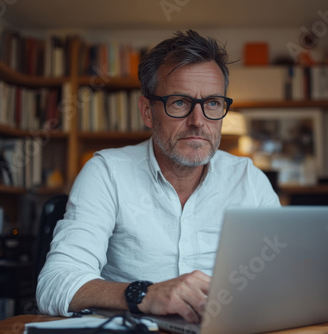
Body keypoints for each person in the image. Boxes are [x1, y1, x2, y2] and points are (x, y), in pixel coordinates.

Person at [36, 30, 280, 323]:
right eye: (179, 102)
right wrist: (145, 295)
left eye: (212, 103)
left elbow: (284, 278)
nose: (198, 121)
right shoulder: (107, 172)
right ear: (147, 112)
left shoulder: (248, 180)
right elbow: (54, 284)